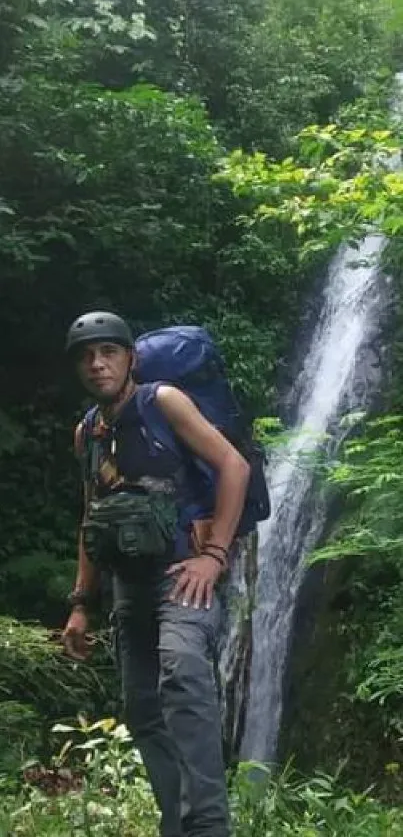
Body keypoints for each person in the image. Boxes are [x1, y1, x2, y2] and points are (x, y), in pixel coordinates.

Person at [62, 311, 251, 837]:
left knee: (184, 676)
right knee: (144, 709)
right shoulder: (88, 434)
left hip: (183, 574)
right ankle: (177, 825)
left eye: (109, 352)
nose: (97, 364)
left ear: (131, 359)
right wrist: (81, 602)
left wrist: (214, 554)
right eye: (86, 356)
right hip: (128, 585)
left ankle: (209, 828)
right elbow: (91, 518)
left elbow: (234, 466)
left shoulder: (163, 402)